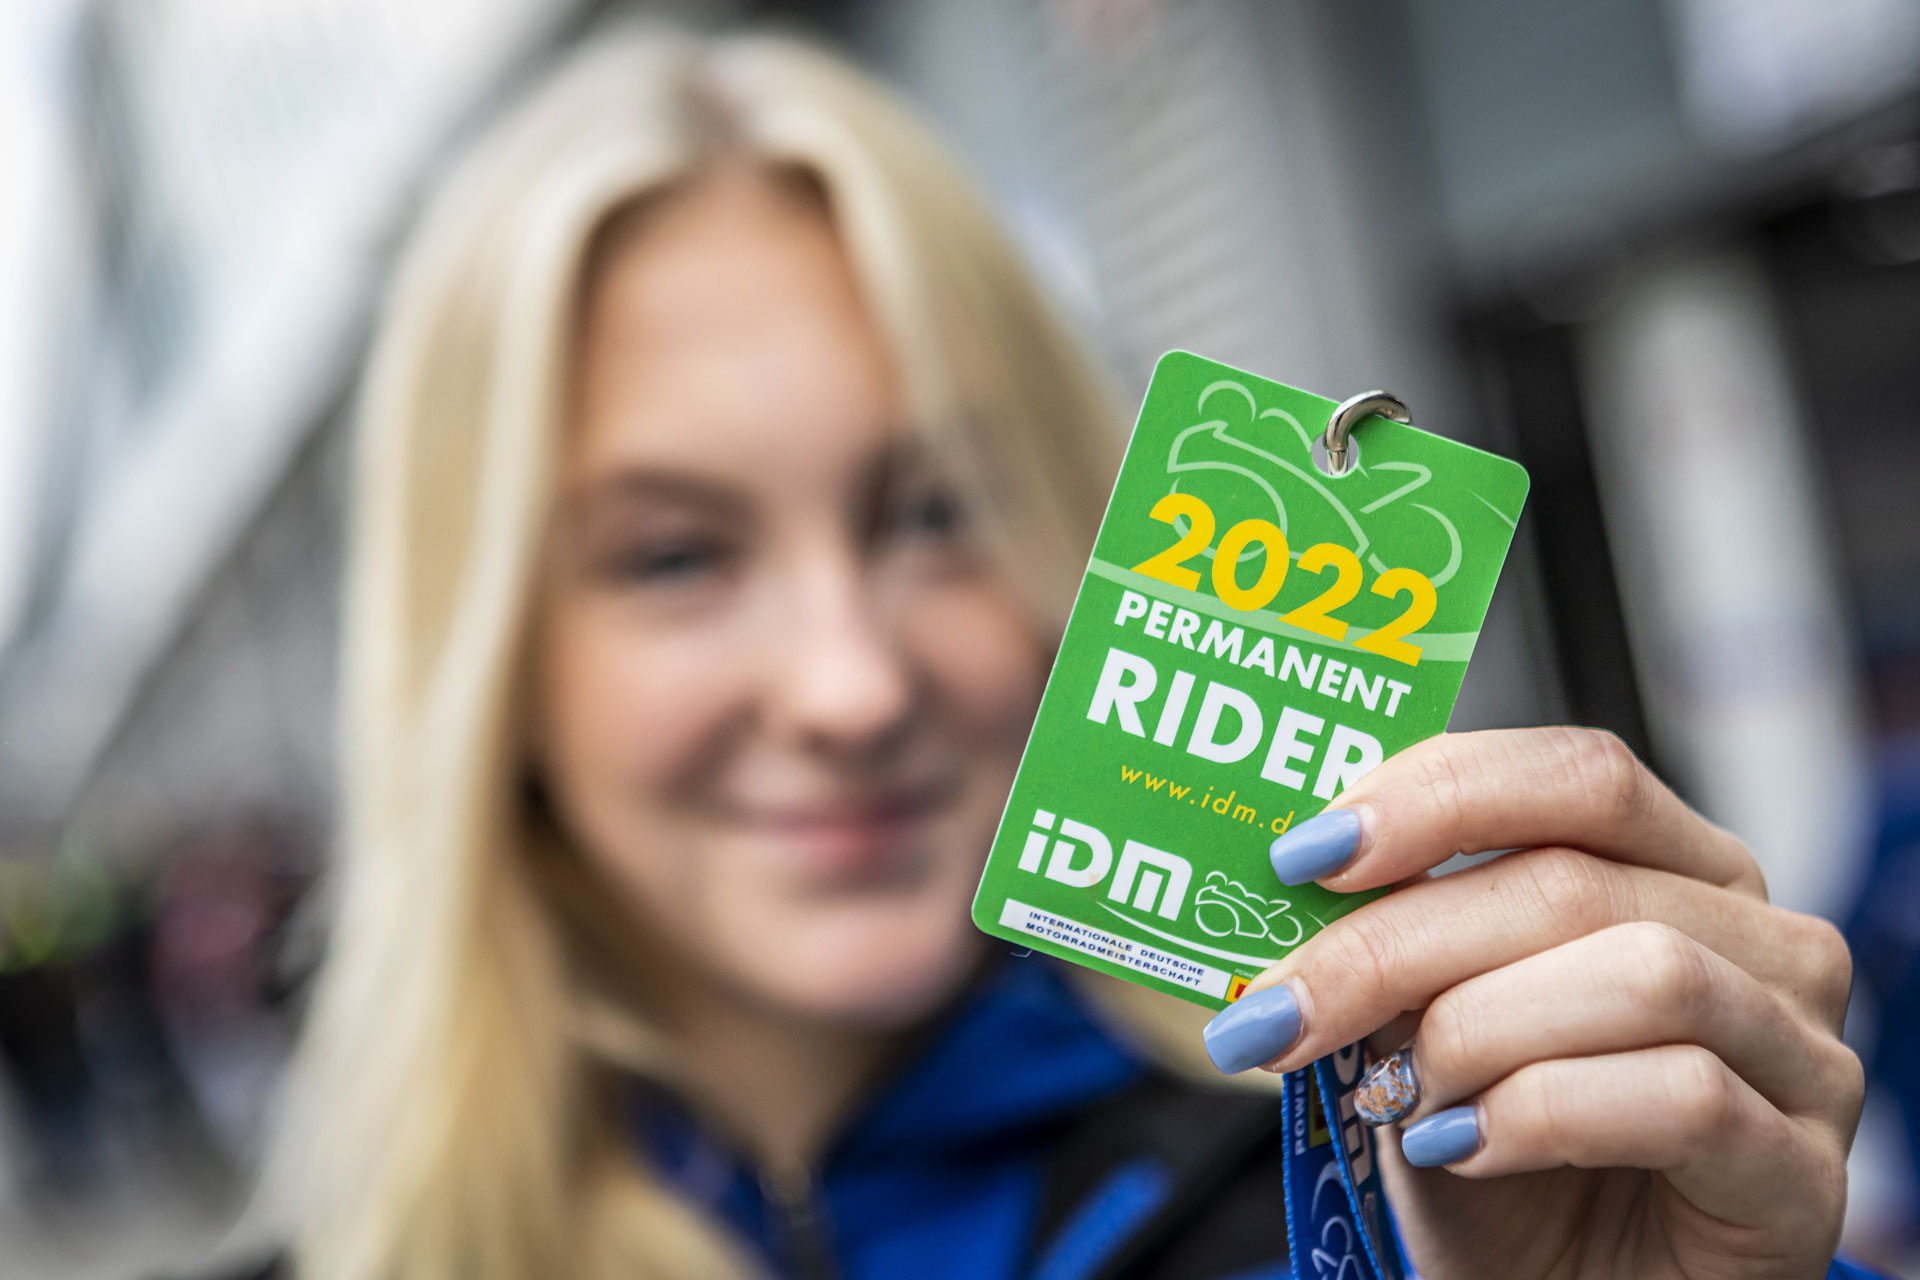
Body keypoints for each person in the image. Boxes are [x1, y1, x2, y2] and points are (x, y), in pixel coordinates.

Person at [238, 26, 1880, 1280]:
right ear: (489, 672)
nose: (851, 686)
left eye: (935, 510)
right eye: (676, 555)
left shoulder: (1419, 1212)